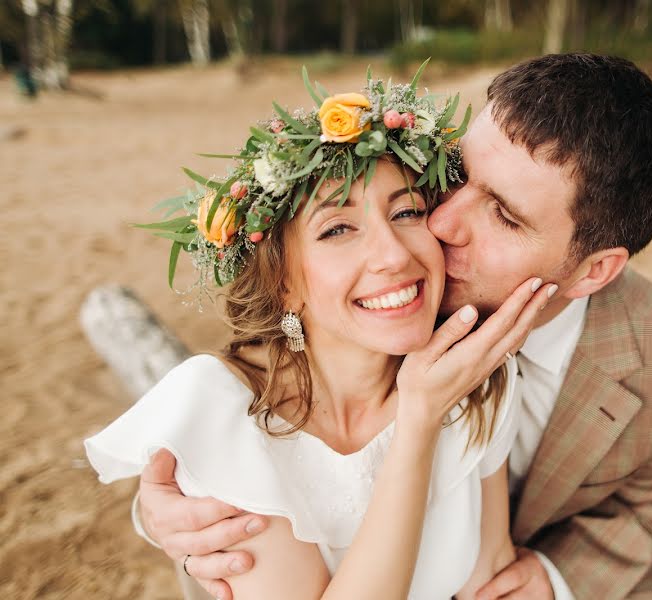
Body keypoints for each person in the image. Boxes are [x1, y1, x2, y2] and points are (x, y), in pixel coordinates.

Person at [136, 54, 652, 600]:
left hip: (537, 550)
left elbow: (647, 506)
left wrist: (555, 578)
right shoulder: (385, 292)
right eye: (454, 174)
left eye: (503, 214)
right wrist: (167, 503)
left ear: (595, 270)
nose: (440, 223)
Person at [85, 69, 557, 600]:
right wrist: (418, 419)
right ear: (283, 282)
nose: (394, 255)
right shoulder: (222, 412)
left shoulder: (472, 379)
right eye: (337, 229)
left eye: (406, 212)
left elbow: (489, 576)